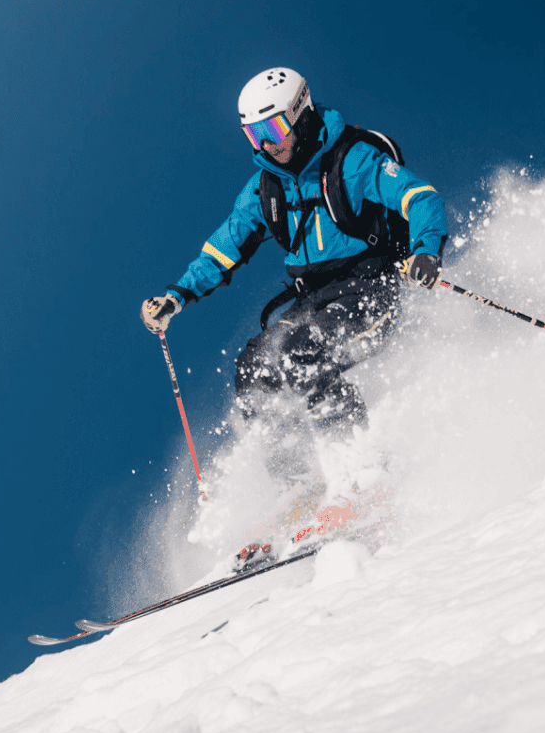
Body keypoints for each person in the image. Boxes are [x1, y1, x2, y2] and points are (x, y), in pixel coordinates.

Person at [141, 67, 446, 479]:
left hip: (369, 290)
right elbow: (224, 247)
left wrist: (425, 251)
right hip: (311, 299)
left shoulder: (351, 160)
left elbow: (419, 196)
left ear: (300, 114)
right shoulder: (264, 190)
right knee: (255, 366)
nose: (266, 143)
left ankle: (359, 473)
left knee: (305, 351)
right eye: (255, 135)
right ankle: (299, 488)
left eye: (273, 127)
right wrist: (177, 294)